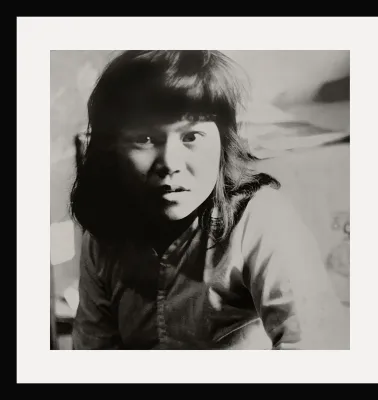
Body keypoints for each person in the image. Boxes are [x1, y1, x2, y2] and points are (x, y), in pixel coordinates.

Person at [70, 50, 349, 350]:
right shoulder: (104, 233)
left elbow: (315, 347)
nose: (170, 163)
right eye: (145, 140)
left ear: (223, 141)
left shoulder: (259, 218)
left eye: (190, 137)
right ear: (110, 149)